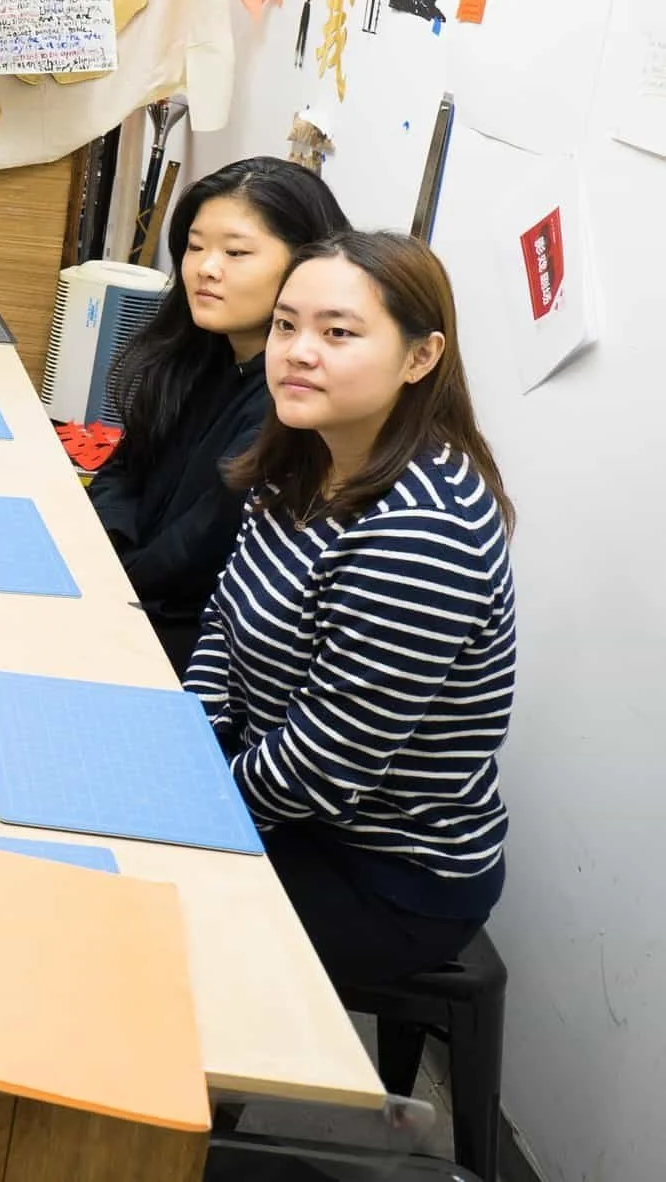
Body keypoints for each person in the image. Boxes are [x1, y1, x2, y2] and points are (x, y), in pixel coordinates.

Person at [188, 232, 517, 989]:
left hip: (382, 871)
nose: (298, 352)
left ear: (420, 357)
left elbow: (326, 766)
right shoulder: (306, 456)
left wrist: (193, 802)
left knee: (135, 915)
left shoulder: (423, 533)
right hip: (285, 808)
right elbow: (223, 623)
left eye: (338, 333)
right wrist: (188, 739)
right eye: (285, 325)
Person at [91, 157, 349, 672]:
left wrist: (103, 582)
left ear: (306, 265)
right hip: (123, 592)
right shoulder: (198, 354)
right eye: (195, 247)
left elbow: (197, 550)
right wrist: (100, 548)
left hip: (187, 643)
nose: (206, 268)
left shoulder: (296, 402)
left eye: (236, 252)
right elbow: (124, 470)